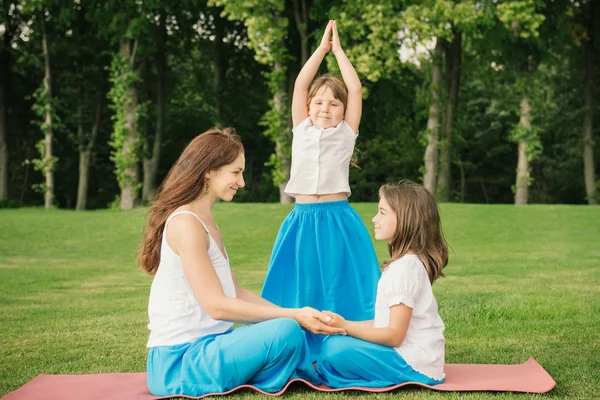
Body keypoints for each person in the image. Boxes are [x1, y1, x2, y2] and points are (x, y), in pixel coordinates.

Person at [138, 128, 344, 397]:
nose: (242, 182)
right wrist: (293, 316)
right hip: (180, 362)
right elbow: (217, 306)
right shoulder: (186, 224)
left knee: (289, 329)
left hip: (212, 347)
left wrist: (300, 315)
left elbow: (235, 292)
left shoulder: (206, 222)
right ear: (208, 170)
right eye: (236, 172)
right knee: (285, 330)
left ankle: (267, 367)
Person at [261, 20, 380, 360]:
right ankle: (294, 346)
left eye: (333, 104)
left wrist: (339, 52)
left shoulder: (345, 133)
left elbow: (355, 89)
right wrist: (321, 49)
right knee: (302, 283)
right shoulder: (302, 130)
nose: (324, 109)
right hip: (301, 219)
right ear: (309, 107)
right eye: (319, 103)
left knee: (339, 282)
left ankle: (346, 342)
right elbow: (300, 85)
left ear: (343, 112)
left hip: (337, 219)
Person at [316, 180, 448, 388]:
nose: (374, 219)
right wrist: (341, 327)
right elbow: (383, 325)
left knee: (334, 350)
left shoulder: (405, 268)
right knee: (333, 343)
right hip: (413, 357)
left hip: (414, 364)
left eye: (382, 213)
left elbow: (394, 335)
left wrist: (346, 327)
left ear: (405, 219)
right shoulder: (406, 264)